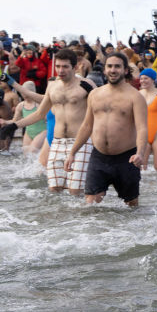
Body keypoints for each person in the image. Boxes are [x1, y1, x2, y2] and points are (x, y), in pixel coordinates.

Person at [1, 49, 94, 195]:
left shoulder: (86, 84)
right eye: (58, 66)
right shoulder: (52, 86)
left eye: (65, 66)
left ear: (74, 67)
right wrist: (14, 125)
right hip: (57, 142)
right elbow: (39, 113)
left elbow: (102, 108)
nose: (60, 70)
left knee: (75, 191)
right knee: (54, 189)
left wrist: (94, 93)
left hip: (80, 142)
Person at [66, 52, 147, 206]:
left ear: (125, 70)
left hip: (126, 158)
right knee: (91, 205)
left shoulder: (135, 97)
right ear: (104, 70)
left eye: (117, 66)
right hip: (99, 157)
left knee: (131, 207)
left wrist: (140, 153)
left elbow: (142, 128)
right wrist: (72, 153)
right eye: (109, 66)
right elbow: (87, 126)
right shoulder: (94, 94)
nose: (113, 70)